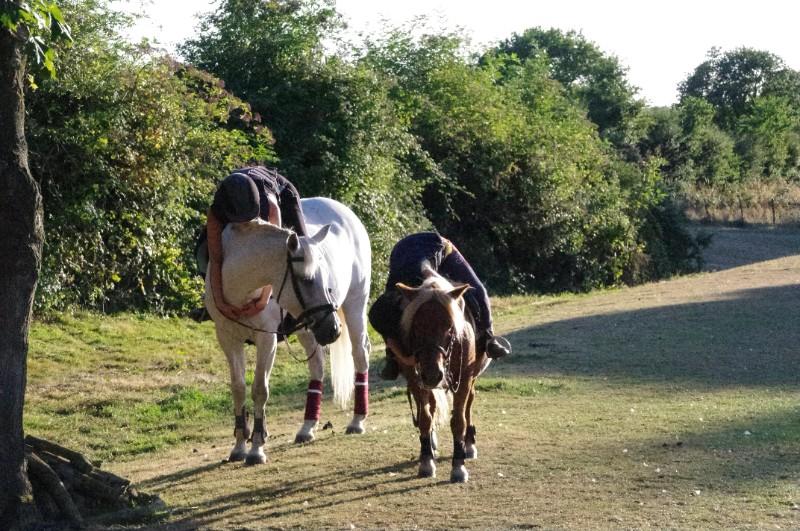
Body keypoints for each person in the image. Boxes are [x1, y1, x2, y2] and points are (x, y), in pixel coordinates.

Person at [368, 232, 511, 380]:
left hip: (439, 248)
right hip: (401, 252)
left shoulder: (424, 268)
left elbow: (432, 277)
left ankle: (488, 338)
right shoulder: (391, 295)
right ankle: (391, 357)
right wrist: (403, 357)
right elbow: (382, 319)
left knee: (478, 290)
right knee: (388, 313)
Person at [193, 166, 307, 323]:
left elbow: (274, 257)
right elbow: (216, 259)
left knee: (302, 250)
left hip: (282, 192)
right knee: (201, 253)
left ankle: (310, 303)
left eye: (249, 219)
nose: (246, 225)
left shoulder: (270, 207)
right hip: (240, 195)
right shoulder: (216, 213)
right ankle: (207, 304)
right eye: (242, 221)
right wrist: (218, 303)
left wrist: (264, 300)